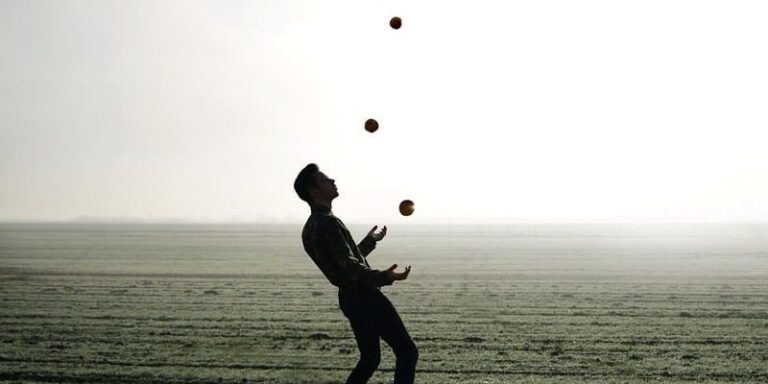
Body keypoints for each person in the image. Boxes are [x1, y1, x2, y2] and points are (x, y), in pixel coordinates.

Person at [294, 163, 418, 384]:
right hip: (365, 297)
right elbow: (350, 268)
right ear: (314, 192)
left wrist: (370, 242)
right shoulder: (328, 223)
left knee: (370, 359)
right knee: (407, 352)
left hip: (349, 299)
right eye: (324, 180)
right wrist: (384, 277)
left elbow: (342, 261)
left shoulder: (310, 227)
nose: (332, 181)